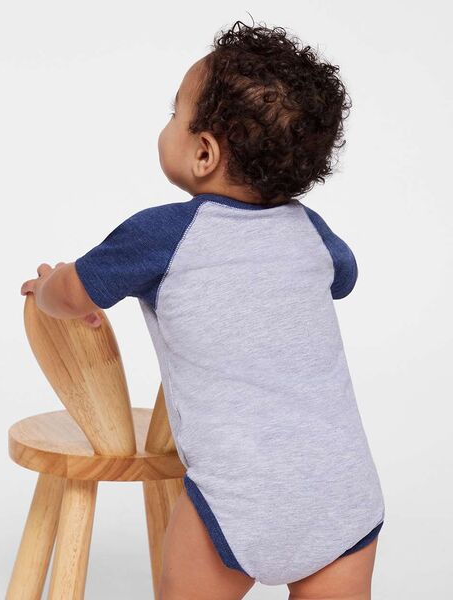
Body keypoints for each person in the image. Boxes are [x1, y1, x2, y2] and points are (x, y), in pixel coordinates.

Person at [21, 19, 385, 600]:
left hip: (238, 495)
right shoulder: (313, 234)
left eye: (175, 114)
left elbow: (73, 293)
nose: (167, 123)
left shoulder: (163, 235)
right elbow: (345, 278)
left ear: (204, 152)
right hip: (342, 491)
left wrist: (45, 288)